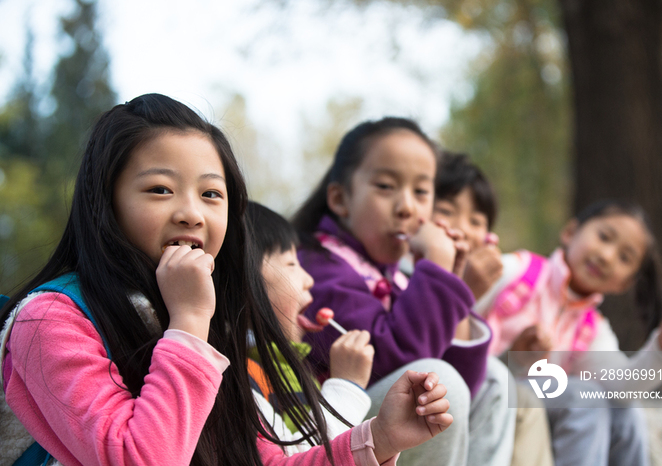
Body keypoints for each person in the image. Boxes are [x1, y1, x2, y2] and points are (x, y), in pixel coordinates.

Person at [0, 94, 453, 466]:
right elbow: (143, 459)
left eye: (211, 194)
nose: (191, 213)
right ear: (105, 202)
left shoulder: (202, 324)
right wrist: (190, 320)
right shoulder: (49, 321)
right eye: (160, 189)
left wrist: (382, 436)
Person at [292, 117, 514, 466]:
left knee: (496, 379)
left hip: (374, 425)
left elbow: (463, 391)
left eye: (421, 191)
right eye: (385, 186)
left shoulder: (393, 275)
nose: (407, 206)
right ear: (339, 198)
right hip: (325, 434)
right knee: (433, 386)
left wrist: (454, 283)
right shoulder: (317, 266)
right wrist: (439, 269)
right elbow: (397, 366)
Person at [475, 199, 662, 466]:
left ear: (625, 284)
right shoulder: (515, 272)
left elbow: (623, 386)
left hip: (543, 411)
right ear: (570, 232)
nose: (606, 256)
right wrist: (516, 356)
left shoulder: (592, 329)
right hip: (488, 389)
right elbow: (457, 325)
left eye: (624, 257)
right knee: (583, 397)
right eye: (604, 237)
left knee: (626, 411)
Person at [432, 149, 554, 466]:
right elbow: (430, 358)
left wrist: (515, 358)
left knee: (523, 397)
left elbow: (470, 367)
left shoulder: (479, 286)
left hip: (462, 396)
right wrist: (464, 291)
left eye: (476, 220)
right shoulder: (408, 276)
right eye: (446, 210)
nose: (462, 228)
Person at [246, 200, 374, 448]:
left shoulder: (294, 369)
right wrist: (346, 386)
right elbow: (303, 456)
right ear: (246, 282)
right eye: (292, 264)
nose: (308, 279)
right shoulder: (246, 378)